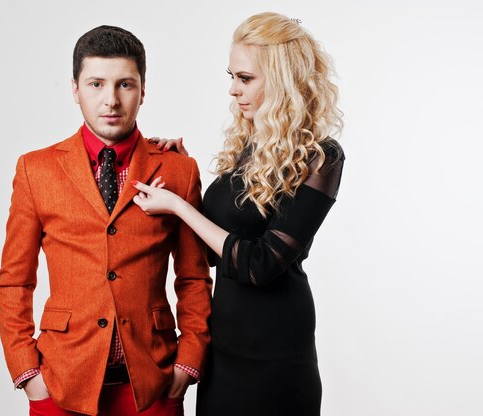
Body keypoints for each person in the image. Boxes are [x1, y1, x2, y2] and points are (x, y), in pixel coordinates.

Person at [132, 12, 345, 416]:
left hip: (277, 354)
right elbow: (213, 253)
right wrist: (184, 174)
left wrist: (179, 207)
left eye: (245, 78)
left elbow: (260, 264)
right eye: (231, 76)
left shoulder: (323, 157)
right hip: (224, 349)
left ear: (281, 81)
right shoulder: (249, 148)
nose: (232, 90)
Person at [0, 25, 212, 416]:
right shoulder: (35, 170)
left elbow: (194, 277)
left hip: (153, 383)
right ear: (75, 89)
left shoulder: (180, 171)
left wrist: (188, 360)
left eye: (125, 84)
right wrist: (27, 373)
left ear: (143, 91)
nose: (110, 100)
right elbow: (14, 280)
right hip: (61, 382)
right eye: (96, 84)